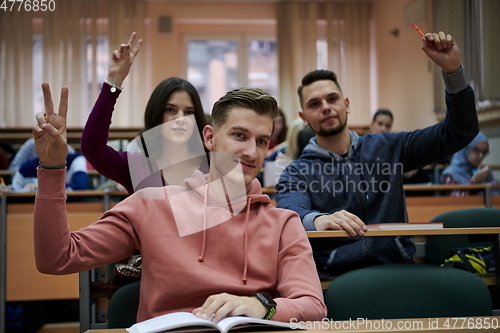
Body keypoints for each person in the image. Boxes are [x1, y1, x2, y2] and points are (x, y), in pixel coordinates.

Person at [32, 83, 326, 324]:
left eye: (262, 141)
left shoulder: (283, 223)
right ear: (209, 138)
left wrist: (264, 306)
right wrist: (52, 169)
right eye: (239, 135)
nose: (252, 151)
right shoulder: (150, 206)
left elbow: (312, 306)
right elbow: (57, 257)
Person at [276, 31, 478, 276]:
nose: (326, 107)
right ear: (304, 118)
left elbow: (460, 131)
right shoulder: (296, 172)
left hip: (398, 270)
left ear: (346, 104)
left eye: (332, 99)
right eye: (314, 104)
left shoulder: (389, 146)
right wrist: (317, 220)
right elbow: (291, 212)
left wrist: (452, 71)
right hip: (337, 280)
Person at [80, 32, 209, 194]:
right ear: (156, 113)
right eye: (171, 110)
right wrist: (113, 84)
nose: (180, 118)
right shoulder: (137, 167)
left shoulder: (213, 165)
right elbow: (91, 148)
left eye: (189, 112)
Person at [441, 132, 495, 196]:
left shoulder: (483, 172)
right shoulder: (450, 174)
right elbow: (457, 201)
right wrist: (474, 181)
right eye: (476, 150)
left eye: (484, 152)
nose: (481, 155)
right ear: (466, 148)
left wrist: (488, 179)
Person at [12, 152, 88, 191]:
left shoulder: (76, 160)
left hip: (70, 206)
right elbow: (14, 189)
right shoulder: (27, 167)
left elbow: (79, 186)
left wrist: (44, 187)